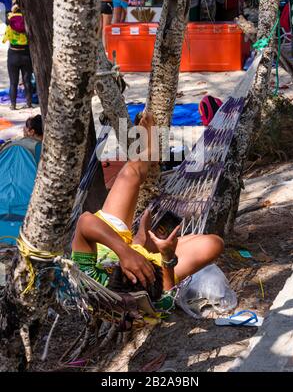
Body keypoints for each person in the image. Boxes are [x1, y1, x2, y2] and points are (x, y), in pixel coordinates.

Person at [72, 112, 224, 300]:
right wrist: (166, 256)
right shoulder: (148, 300)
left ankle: (149, 153)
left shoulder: (90, 282)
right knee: (213, 243)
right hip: (153, 266)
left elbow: (85, 221)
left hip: (106, 242)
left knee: (131, 174)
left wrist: (126, 252)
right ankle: (151, 246)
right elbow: (166, 296)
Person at [2, 4, 33, 110]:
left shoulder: (9, 21)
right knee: (27, 81)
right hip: (25, 54)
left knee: (13, 82)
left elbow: (5, 38)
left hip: (13, 54)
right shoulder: (27, 21)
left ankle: (13, 105)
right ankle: (29, 104)